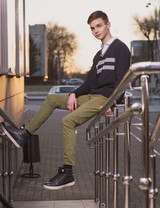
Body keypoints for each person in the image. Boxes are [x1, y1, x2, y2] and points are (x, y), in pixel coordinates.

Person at [2, 10, 131, 190]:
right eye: (92, 28)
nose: (96, 31)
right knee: (52, 99)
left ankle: (68, 172)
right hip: (90, 96)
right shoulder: (98, 55)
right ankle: (25, 134)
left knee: (68, 122)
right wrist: (73, 94)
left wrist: (112, 102)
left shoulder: (120, 48)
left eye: (99, 26)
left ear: (108, 25)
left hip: (103, 98)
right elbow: (88, 84)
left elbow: (122, 80)